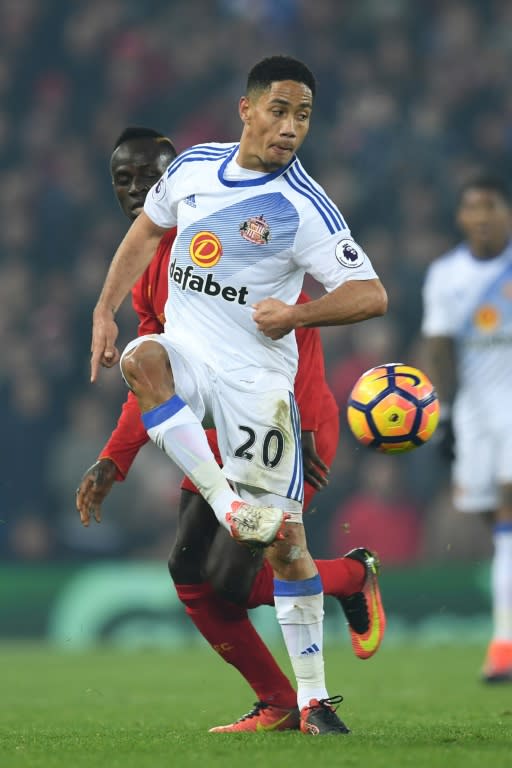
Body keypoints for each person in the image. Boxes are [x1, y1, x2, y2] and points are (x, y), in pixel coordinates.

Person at [89, 56, 388, 734]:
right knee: (143, 357)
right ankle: (276, 693)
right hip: (201, 398)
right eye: (279, 110)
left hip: (269, 400)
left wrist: (298, 316)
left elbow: (371, 295)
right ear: (246, 110)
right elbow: (144, 231)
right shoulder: (192, 175)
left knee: (277, 552)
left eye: (303, 116)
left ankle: (316, 697)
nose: (290, 127)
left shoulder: (304, 208)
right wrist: (103, 311)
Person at [422, 171, 512, 683]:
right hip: (476, 410)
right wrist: (447, 416)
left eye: (490, 206)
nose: (480, 217)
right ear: (460, 217)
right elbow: (439, 347)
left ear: (507, 214)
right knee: (495, 526)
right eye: (471, 208)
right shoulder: (446, 275)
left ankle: (502, 646)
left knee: (506, 513)